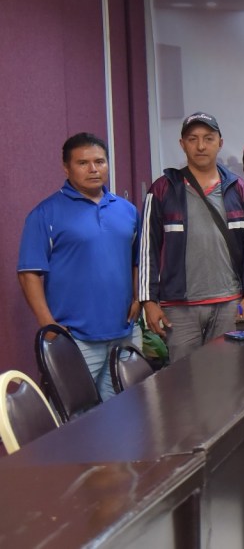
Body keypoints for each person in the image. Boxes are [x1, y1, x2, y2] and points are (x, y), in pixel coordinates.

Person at [17, 133, 140, 401]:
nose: (93, 169)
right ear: (66, 168)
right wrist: (48, 325)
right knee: (76, 417)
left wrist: (137, 296)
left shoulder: (128, 211)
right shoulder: (44, 214)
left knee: (127, 410)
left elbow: (137, 261)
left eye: (100, 161)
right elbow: (29, 274)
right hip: (74, 338)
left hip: (125, 332)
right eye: (83, 163)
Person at [139, 112, 244, 362]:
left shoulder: (238, 188)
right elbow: (147, 249)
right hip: (178, 308)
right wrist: (148, 301)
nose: (201, 146)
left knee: (228, 375)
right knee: (184, 378)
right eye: (193, 139)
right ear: (182, 144)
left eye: (208, 138)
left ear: (220, 143)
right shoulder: (162, 189)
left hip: (229, 304)